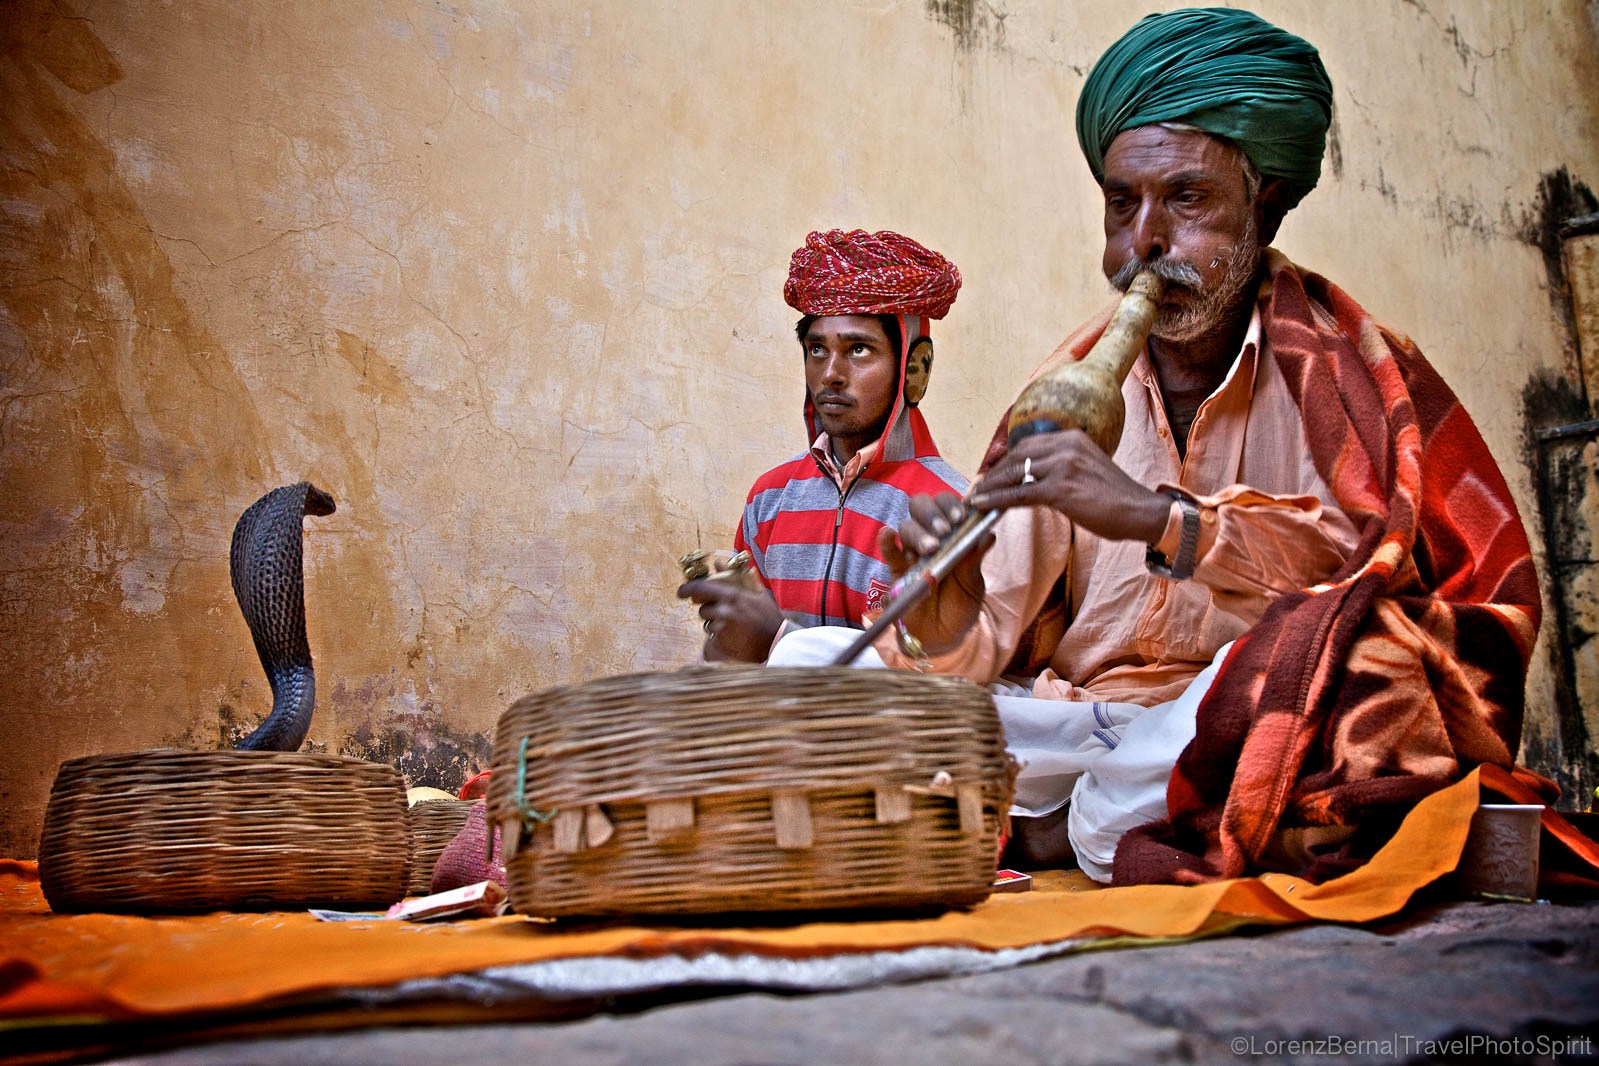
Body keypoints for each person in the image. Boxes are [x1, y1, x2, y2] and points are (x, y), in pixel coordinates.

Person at [770, 9, 1544, 885]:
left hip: (1230, 719)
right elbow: (986, 645)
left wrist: (1157, 519)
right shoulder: (1065, 389)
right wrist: (947, 611)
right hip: (1083, 727)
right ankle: (1104, 819)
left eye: (1186, 199)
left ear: (1267, 202)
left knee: (1361, 659)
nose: (1145, 240)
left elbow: (1371, 586)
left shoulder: (1345, 378)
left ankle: (1064, 823)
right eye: (1120, 203)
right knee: (805, 661)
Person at [678, 229, 970, 663]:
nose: (831, 373)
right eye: (817, 349)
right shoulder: (769, 498)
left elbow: (936, 678)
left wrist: (777, 638)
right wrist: (728, 639)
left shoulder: (947, 511)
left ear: (914, 368)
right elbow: (738, 660)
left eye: (858, 349)